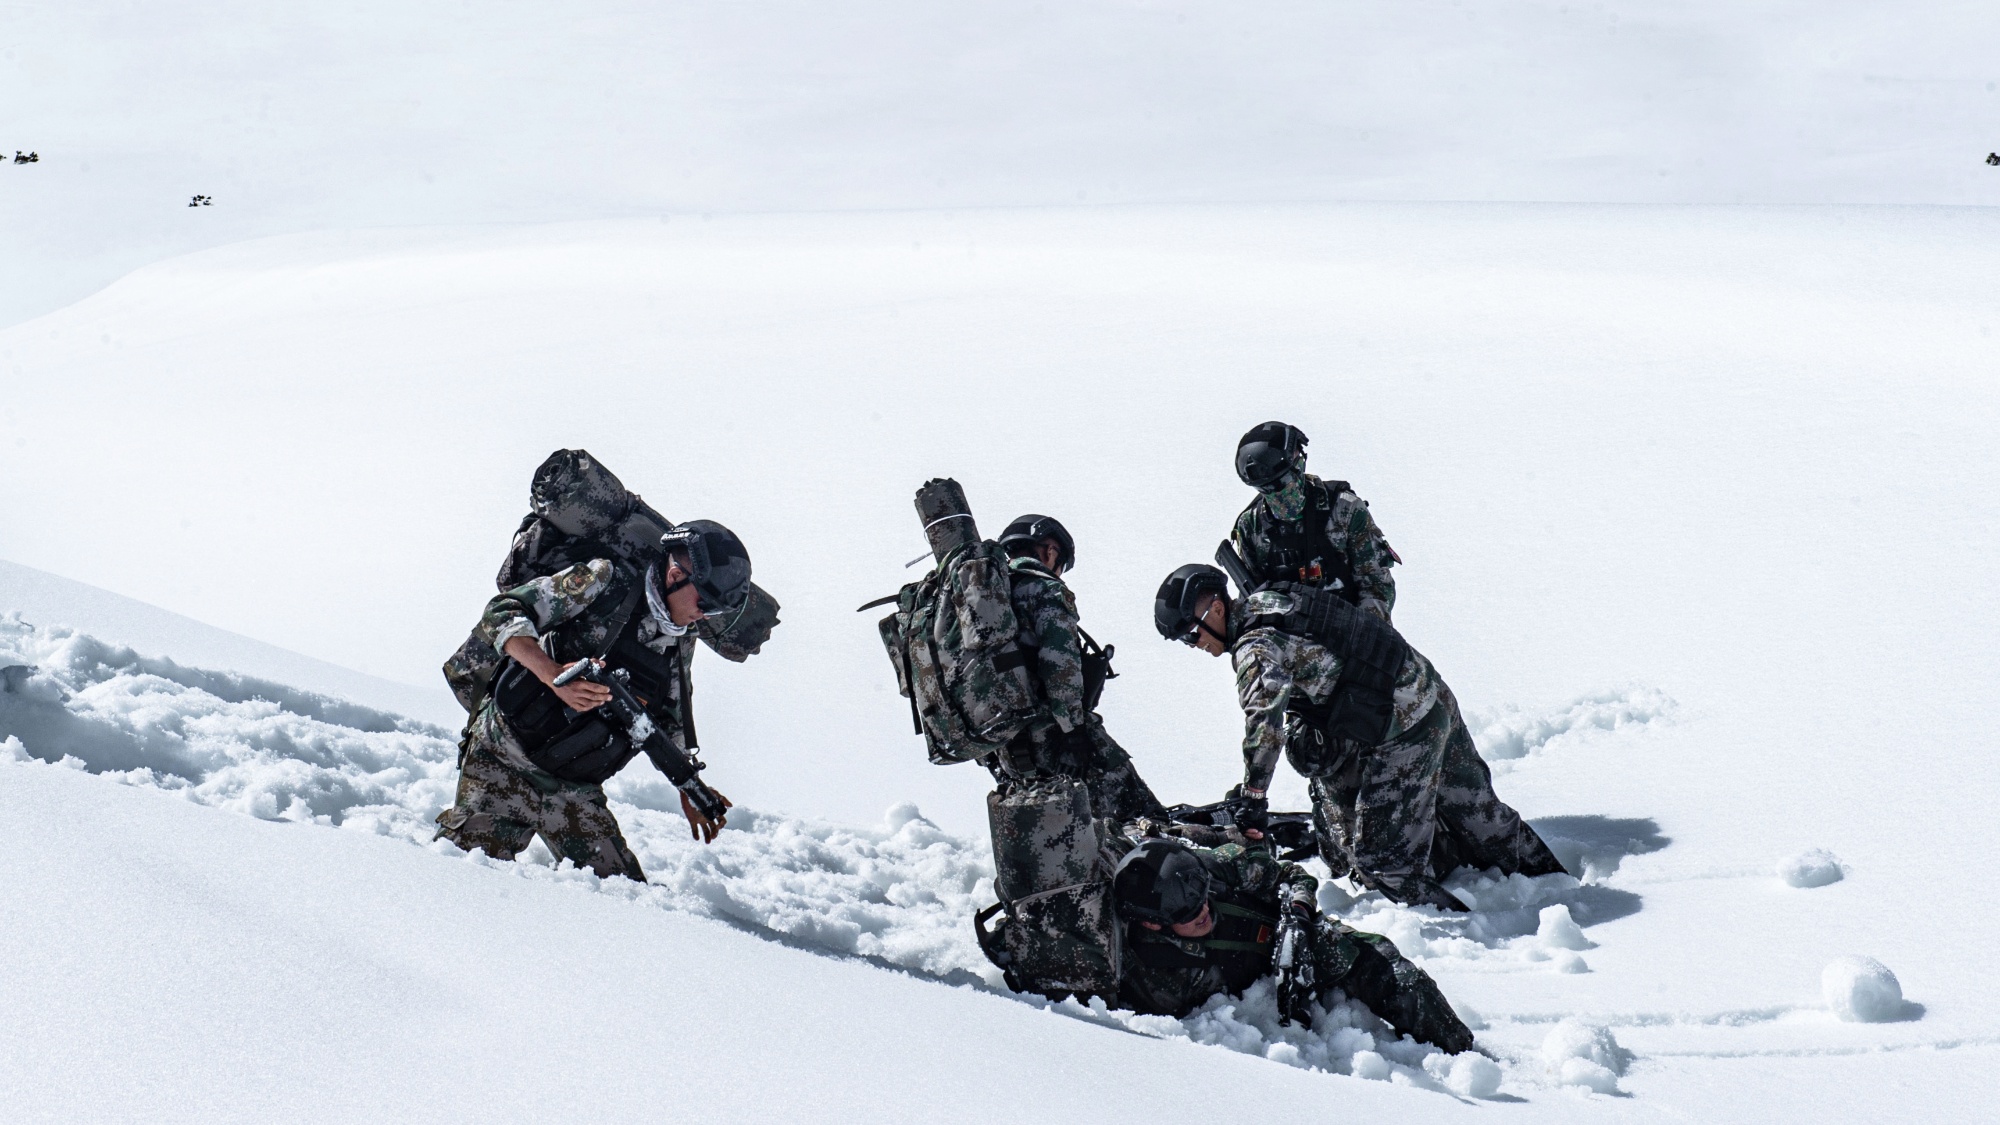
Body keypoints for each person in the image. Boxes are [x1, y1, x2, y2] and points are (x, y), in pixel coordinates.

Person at [1153, 563, 1565, 911]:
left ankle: (1469, 937)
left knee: (1383, 864)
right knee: (1482, 818)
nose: (1195, 645)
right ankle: (1561, 886)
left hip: (1404, 731)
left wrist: (1253, 797)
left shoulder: (1254, 647)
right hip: (1428, 693)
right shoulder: (1273, 599)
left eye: (1192, 634)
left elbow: (1265, 722)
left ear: (1217, 609)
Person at [434, 520, 752, 880]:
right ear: (676, 574)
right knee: (460, 875)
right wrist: (551, 673)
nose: (704, 614)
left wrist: (688, 786)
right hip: (505, 758)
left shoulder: (680, 640)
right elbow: (504, 612)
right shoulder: (603, 580)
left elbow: (670, 718)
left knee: (622, 896)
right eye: (705, 601)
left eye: (716, 611)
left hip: (574, 790)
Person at [1112, 837, 1475, 1053]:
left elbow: (1290, 875)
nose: (1203, 910)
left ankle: (1465, 1054)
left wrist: (1298, 917)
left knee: (1397, 977)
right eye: (1188, 911)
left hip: (1300, 938)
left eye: (1203, 896)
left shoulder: (1214, 869)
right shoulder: (1159, 979)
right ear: (1152, 923)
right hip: (1268, 1002)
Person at [988, 514, 1166, 823]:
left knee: (1062, 833)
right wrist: (1074, 734)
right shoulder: (1043, 589)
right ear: (1050, 550)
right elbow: (1059, 664)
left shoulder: (989, 601)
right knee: (1140, 818)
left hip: (1006, 749)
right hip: (1055, 737)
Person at [1230, 421, 1399, 623]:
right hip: (1285, 635)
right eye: (1266, 489)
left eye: (1283, 482)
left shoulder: (1345, 509)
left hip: (1349, 627)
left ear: (1299, 464)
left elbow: (1376, 586)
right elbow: (1253, 602)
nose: (1278, 494)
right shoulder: (1250, 526)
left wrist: (1359, 631)